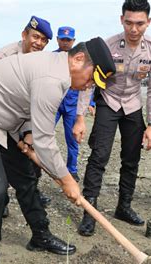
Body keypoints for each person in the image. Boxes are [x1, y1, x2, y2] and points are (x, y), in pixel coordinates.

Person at [0, 37, 115, 264]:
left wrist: (26, 133)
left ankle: (40, 235)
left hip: (4, 120)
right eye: (92, 78)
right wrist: (67, 179)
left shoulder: (56, 69)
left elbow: (26, 105)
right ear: (78, 59)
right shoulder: (52, 79)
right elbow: (46, 141)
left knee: (27, 176)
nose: (88, 85)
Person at [73, 0, 151, 236]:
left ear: (148, 22)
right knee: (99, 156)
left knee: (131, 159)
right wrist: (80, 118)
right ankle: (90, 212)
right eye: (129, 23)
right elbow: (87, 83)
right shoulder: (108, 46)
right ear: (121, 20)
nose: (134, 29)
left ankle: (123, 207)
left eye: (140, 24)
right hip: (109, 102)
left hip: (133, 105)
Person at [0, 15, 54, 217]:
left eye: (44, 40)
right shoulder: (3, 57)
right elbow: (2, 98)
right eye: (36, 37)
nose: (39, 43)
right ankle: (2, 201)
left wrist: (30, 132)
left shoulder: (42, 62)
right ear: (24, 34)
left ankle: (33, 193)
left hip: (25, 119)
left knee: (33, 160)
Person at [54, 26, 89, 182]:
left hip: (72, 105)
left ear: (73, 41)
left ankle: (72, 169)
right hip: (54, 104)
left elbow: (88, 82)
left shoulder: (80, 60)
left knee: (73, 139)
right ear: (57, 39)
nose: (65, 43)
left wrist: (91, 103)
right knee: (42, 134)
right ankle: (39, 166)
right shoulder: (51, 58)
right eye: (63, 39)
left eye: (68, 40)